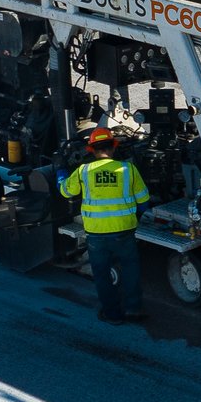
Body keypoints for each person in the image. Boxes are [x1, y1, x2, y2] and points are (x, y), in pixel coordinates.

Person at [60, 128, 150, 323]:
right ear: (113, 148)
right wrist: (138, 215)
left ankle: (112, 314)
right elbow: (144, 200)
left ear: (91, 150)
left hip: (96, 234)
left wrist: (60, 174)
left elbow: (66, 192)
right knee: (130, 269)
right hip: (124, 231)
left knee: (101, 274)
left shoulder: (83, 171)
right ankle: (133, 309)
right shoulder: (128, 169)